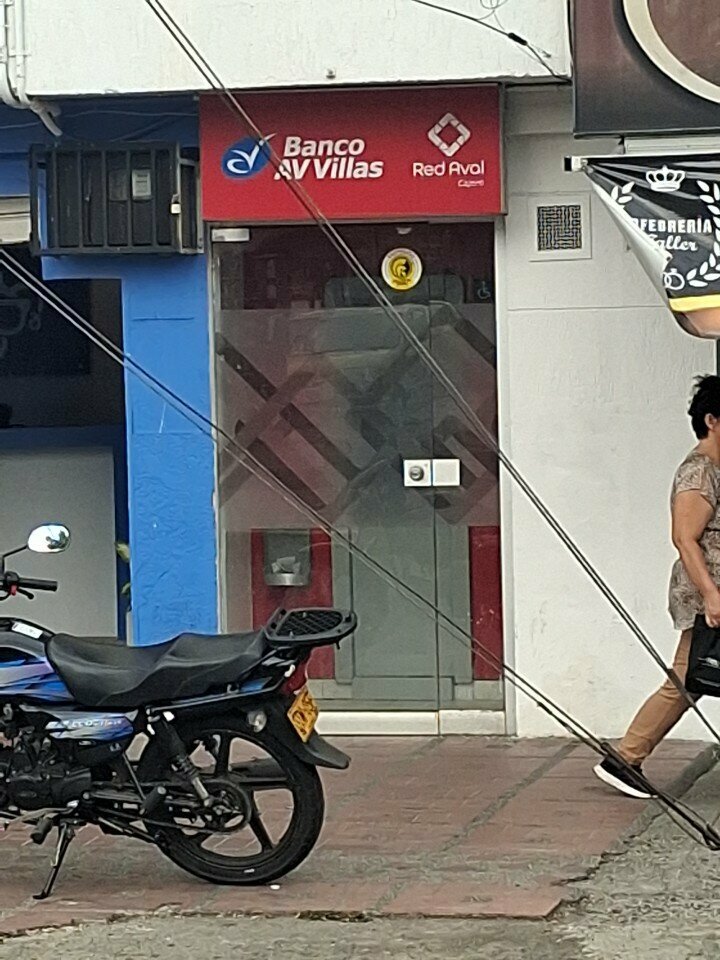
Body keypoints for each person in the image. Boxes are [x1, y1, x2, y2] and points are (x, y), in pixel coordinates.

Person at [595, 374, 720, 798]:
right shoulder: (698, 473)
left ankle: (626, 757)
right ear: (711, 420)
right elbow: (684, 538)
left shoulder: (715, 469)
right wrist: (711, 595)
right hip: (707, 594)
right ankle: (625, 758)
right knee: (685, 680)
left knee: (687, 680)